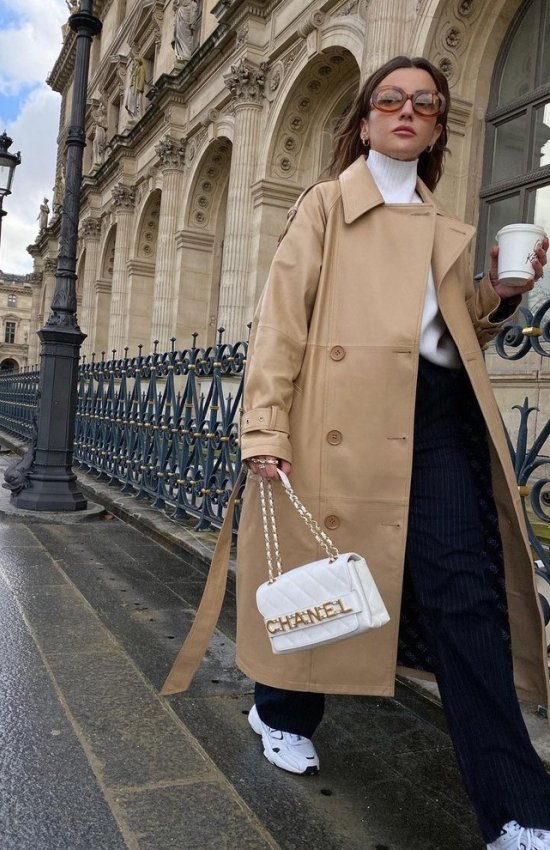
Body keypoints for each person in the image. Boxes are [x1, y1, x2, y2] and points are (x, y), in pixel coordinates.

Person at [163, 56, 550, 849]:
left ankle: (518, 808)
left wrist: (498, 296)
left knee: (468, 600)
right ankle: (280, 710)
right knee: (322, 580)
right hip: (339, 420)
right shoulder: (325, 206)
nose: (408, 111)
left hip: (438, 422)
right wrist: (264, 430)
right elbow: (280, 324)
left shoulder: (444, 225)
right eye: (392, 99)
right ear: (366, 121)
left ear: (437, 129)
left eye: (426, 104)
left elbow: (446, 338)